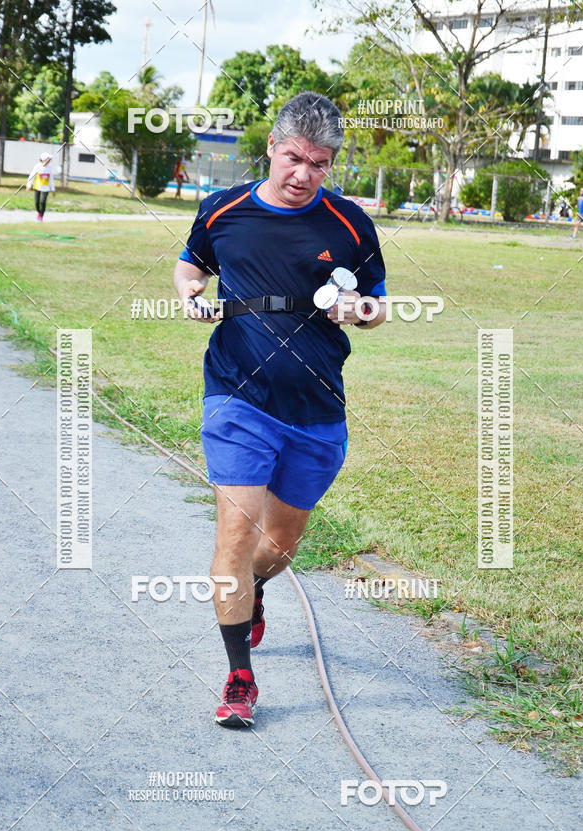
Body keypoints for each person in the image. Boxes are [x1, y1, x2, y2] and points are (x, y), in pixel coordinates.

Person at [173, 91, 387, 728]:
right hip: (237, 393)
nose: (303, 175)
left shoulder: (350, 225)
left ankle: (256, 589)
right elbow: (191, 268)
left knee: (282, 543)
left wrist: (362, 311)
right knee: (236, 534)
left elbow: (377, 304)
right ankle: (239, 675)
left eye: (319, 164)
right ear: (270, 147)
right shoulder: (223, 210)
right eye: (294, 157)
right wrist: (190, 296)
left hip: (317, 405)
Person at [26, 151, 55, 221]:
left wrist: (53, 189)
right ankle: (39, 212)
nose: (49, 161)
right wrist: (29, 185)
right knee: (37, 203)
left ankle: (41, 216)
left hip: (46, 188)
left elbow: (51, 179)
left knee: (43, 202)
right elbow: (32, 176)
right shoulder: (37, 166)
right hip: (37, 187)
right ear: (44, 159)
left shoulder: (50, 168)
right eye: (48, 159)